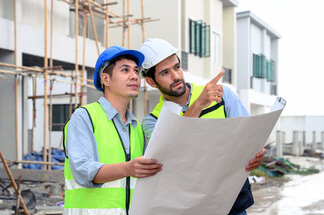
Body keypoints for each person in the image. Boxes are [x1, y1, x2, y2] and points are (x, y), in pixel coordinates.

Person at [140, 38, 266, 215]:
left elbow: (250, 137)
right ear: (151, 82)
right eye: (165, 73)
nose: (176, 76)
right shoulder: (152, 120)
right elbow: (170, 155)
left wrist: (256, 153)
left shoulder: (222, 95)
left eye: (177, 67)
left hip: (232, 201)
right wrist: (198, 105)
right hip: (190, 206)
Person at [63, 46, 163, 215]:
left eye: (136, 71)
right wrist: (128, 168)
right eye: (125, 70)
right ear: (106, 79)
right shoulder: (84, 117)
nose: (134, 76)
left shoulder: (136, 127)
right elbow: (84, 171)